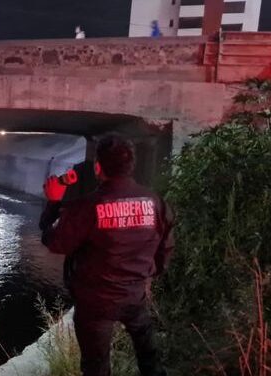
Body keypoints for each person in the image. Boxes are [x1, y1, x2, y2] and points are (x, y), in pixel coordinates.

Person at [39, 134, 174, 376]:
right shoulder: (156, 203)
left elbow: (54, 241)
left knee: (96, 366)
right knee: (150, 359)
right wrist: (147, 273)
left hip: (95, 302)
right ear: (131, 165)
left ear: (98, 167)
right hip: (135, 295)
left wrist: (53, 202)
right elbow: (165, 248)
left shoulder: (87, 207)